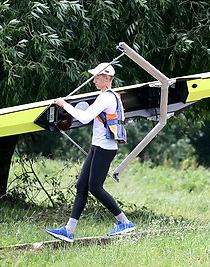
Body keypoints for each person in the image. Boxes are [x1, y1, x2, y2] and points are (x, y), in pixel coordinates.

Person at [45, 63, 135, 242]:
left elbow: (85, 117)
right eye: (95, 77)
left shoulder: (107, 98)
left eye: (97, 77)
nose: (94, 80)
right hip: (98, 146)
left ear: (107, 79)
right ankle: (69, 231)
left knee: (95, 187)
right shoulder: (104, 96)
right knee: (82, 186)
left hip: (105, 148)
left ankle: (125, 223)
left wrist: (64, 105)